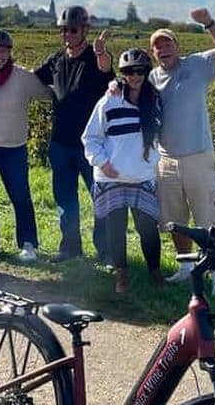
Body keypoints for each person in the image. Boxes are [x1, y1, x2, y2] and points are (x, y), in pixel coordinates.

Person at [150, 8, 215, 296]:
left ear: (177, 47)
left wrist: (209, 22)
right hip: (166, 158)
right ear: (153, 53)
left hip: (198, 155)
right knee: (174, 219)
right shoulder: (151, 78)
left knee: (209, 215)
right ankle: (186, 267)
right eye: (158, 47)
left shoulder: (197, 64)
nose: (164, 50)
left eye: (168, 44)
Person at [34, 6, 114, 264]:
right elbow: (32, 78)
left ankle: (106, 252)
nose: (67, 34)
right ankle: (70, 248)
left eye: (73, 30)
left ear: (85, 31)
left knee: (101, 198)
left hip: (92, 145)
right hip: (60, 142)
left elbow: (106, 69)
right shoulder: (56, 60)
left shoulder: (94, 57)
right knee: (65, 199)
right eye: (63, 30)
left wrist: (102, 53)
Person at [0, 29, 53, 265]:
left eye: (3, 50)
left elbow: (48, 94)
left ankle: (27, 243)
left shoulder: (23, 77)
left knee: (21, 195)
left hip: (13, 147)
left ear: (9, 52)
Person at [82, 48, 163, 293]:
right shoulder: (109, 100)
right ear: (122, 74)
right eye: (128, 71)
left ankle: (155, 271)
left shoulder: (155, 100)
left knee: (147, 227)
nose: (134, 76)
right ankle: (122, 275)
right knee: (116, 228)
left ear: (147, 72)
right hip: (111, 175)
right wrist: (102, 162)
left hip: (141, 175)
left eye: (139, 71)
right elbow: (91, 137)